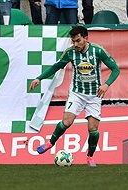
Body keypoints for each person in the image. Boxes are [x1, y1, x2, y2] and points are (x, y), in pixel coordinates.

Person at [29, 26, 120, 167]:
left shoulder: (98, 51)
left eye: (78, 41)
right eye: (73, 41)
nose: (75, 44)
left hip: (94, 95)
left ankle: (90, 157)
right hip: (77, 93)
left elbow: (116, 69)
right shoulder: (70, 52)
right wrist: (39, 78)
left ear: (86, 38)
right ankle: (50, 143)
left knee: (93, 130)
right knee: (66, 122)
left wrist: (106, 84)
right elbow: (56, 66)